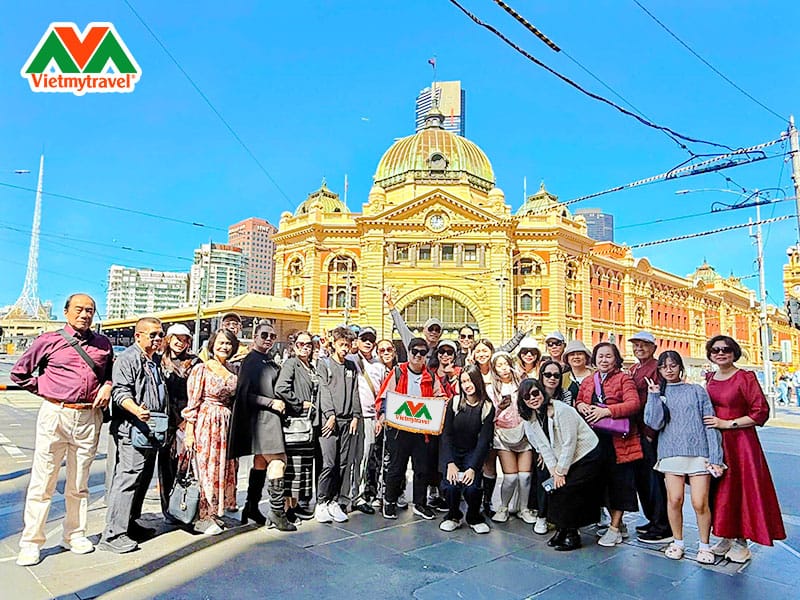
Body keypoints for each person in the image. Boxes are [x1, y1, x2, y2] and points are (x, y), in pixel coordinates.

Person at [11, 294, 113, 566]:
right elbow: (19, 374)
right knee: (43, 481)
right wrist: (47, 391)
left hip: (88, 416)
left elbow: (108, 374)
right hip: (55, 414)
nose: (84, 314)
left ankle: (75, 534)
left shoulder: (103, 344)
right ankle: (31, 542)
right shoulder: (48, 340)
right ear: (66, 311)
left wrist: (107, 386)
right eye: (79, 309)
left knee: (79, 482)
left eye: (90, 310)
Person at [703, 335, 786, 562]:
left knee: (741, 489)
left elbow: (760, 411)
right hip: (715, 442)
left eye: (726, 349)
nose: (720, 353)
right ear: (710, 354)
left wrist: (728, 424)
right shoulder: (710, 377)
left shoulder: (745, 377)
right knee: (719, 490)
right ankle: (726, 535)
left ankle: (742, 541)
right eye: (716, 350)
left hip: (740, 443)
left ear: (734, 352)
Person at [643, 351, 723, 564]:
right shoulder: (659, 393)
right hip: (670, 452)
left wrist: (715, 456)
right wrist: (653, 396)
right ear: (659, 370)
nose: (668, 370)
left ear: (680, 367)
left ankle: (704, 545)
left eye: (673, 365)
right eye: (663, 366)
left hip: (699, 453)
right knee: (675, 499)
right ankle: (678, 542)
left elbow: (710, 423)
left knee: (699, 502)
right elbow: (653, 423)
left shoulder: (696, 390)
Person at [100, 317, 168, 554]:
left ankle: (130, 524)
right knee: (128, 479)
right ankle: (113, 534)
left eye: (161, 335)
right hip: (132, 429)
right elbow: (120, 392)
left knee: (142, 479)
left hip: (151, 430)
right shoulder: (129, 358)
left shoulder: (154, 361)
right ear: (138, 335)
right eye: (153, 335)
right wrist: (136, 410)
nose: (158, 339)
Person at [228, 321, 296, 531]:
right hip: (263, 419)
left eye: (272, 336)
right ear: (255, 336)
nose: (268, 339)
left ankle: (251, 506)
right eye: (264, 335)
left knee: (261, 462)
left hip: (268, 419)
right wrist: (271, 402)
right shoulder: (251, 361)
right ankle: (276, 512)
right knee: (278, 461)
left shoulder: (266, 359)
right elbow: (244, 394)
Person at [520, 378, 602, 551]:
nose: (533, 398)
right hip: (566, 458)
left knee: (568, 488)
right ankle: (561, 529)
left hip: (586, 454)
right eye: (527, 397)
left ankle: (572, 534)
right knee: (555, 488)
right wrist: (554, 472)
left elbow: (569, 443)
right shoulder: (531, 418)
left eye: (536, 393)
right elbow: (543, 447)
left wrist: (561, 472)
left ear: (542, 392)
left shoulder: (561, 410)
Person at [575, 342, 642, 548]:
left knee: (619, 484)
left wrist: (607, 411)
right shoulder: (588, 380)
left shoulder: (624, 379)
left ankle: (614, 528)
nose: (604, 360)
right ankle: (616, 524)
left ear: (616, 359)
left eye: (608, 356)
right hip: (595, 441)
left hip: (619, 442)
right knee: (602, 484)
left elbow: (634, 404)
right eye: (600, 356)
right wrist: (582, 405)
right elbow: (578, 401)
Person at [376, 337, 445, 520]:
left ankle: (420, 504)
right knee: (396, 467)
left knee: (422, 469)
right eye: (415, 351)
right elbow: (384, 396)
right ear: (409, 352)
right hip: (399, 430)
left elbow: (441, 396)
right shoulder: (398, 372)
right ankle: (389, 501)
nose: (418, 355)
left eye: (423, 352)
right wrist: (382, 414)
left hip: (422, 432)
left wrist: (440, 406)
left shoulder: (430, 376)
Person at [183, 329, 239, 535]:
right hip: (207, 421)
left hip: (226, 422)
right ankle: (202, 515)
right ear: (213, 344)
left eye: (229, 344)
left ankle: (215, 511)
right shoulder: (202, 369)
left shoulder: (233, 369)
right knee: (206, 467)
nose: (224, 347)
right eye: (221, 343)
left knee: (223, 468)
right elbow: (192, 402)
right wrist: (189, 432)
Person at [439, 366, 495, 534]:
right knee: (450, 487)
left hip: (472, 452)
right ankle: (453, 515)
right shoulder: (454, 402)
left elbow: (484, 440)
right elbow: (446, 434)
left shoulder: (487, 406)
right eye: (463, 381)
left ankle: (473, 516)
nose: (467, 385)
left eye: (470, 380)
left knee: (472, 488)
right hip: (453, 452)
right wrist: (449, 462)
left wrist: (472, 468)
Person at [627, 331, 671, 544]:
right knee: (643, 479)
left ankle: (663, 524)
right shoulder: (634, 368)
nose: (639, 349)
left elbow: (661, 400)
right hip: (636, 430)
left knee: (654, 480)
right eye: (636, 346)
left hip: (649, 432)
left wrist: (652, 433)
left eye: (643, 345)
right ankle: (652, 518)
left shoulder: (657, 368)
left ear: (654, 347)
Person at [314, 326, 361, 524]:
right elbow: (323, 390)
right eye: (342, 345)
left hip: (347, 420)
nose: (345, 348)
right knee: (329, 463)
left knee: (342, 463)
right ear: (334, 344)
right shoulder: (324, 364)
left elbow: (355, 392)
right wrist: (330, 414)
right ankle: (321, 502)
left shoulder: (351, 366)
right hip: (329, 421)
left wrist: (356, 416)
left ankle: (334, 500)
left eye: (348, 345)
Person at [275, 331, 319, 522]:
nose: (305, 347)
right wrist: (299, 403)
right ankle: (287, 510)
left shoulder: (310, 366)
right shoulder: (291, 363)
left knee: (302, 467)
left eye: (308, 344)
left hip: (307, 424)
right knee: (293, 466)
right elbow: (281, 388)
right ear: (294, 346)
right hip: (295, 422)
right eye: (300, 344)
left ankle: (296, 506)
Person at [159, 323, 201, 520]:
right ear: (168, 339)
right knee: (166, 467)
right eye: (176, 338)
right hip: (166, 422)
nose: (180, 343)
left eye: (184, 339)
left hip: (190, 421)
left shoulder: (194, 362)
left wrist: (187, 420)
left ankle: (188, 507)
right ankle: (169, 509)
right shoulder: (159, 361)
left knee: (189, 468)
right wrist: (176, 421)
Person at [489, 352, 534, 526]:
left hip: (524, 432)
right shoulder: (491, 388)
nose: (503, 368)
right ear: (494, 369)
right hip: (502, 434)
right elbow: (488, 416)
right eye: (499, 365)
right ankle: (504, 507)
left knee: (524, 477)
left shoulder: (523, 384)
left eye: (505, 364)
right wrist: (499, 409)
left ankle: (524, 508)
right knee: (510, 478)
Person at [342, 326, 384, 515]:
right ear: (357, 341)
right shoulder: (350, 360)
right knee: (348, 458)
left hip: (370, 417)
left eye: (371, 339)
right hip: (352, 416)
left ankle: (357, 496)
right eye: (364, 339)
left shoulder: (379, 365)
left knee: (365, 457)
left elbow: (383, 393)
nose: (368, 342)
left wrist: (380, 416)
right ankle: (343, 497)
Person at [532, 360, 571, 534]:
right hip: (542, 446)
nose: (552, 378)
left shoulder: (566, 395)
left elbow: (567, 425)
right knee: (543, 474)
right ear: (541, 375)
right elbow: (531, 426)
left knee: (561, 478)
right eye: (548, 374)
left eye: (556, 375)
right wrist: (542, 451)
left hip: (563, 445)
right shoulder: (534, 395)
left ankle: (557, 516)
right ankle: (542, 515)